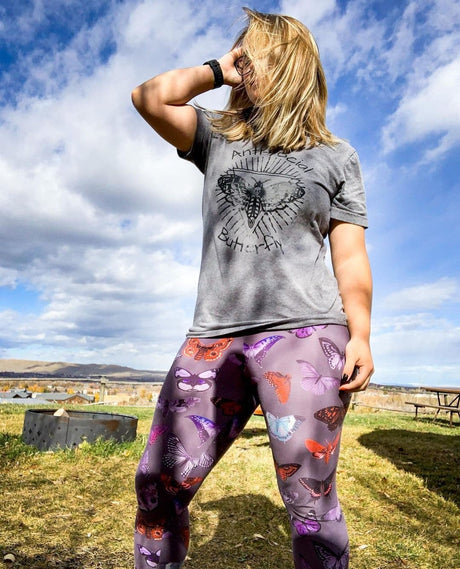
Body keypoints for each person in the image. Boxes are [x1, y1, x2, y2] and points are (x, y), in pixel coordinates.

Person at [131, 7, 373, 569]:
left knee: (310, 501)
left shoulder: (337, 156)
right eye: (242, 55)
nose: (246, 64)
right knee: (158, 482)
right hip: (212, 337)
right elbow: (149, 98)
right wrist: (219, 69)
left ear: (292, 65)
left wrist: (361, 334)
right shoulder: (217, 136)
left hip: (307, 335)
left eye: (257, 55)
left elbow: (351, 256)